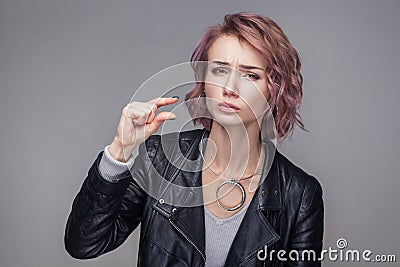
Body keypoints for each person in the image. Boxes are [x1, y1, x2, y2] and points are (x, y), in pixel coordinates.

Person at [64, 12, 324, 267]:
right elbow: (84, 244)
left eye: (250, 75)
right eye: (220, 70)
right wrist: (119, 151)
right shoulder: (159, 160)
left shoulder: (299, 195)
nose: (230, 89)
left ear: (275, 89)